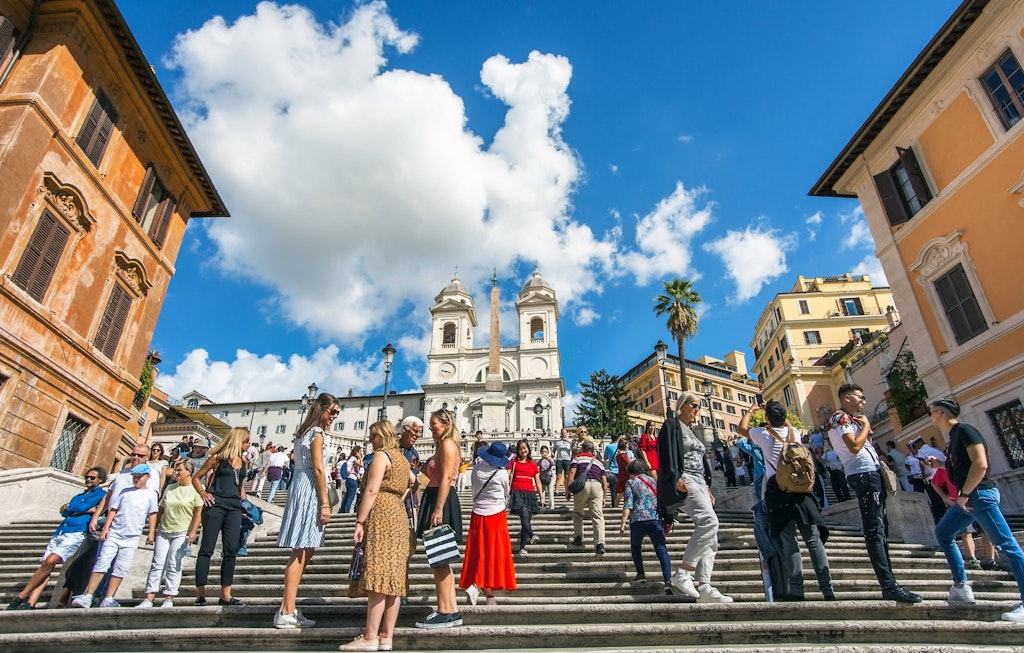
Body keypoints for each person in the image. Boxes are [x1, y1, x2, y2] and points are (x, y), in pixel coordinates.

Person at [928, 398, 1024, 621]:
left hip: (978, 495)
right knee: (943, 533)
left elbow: (980, 464)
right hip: (970, 498)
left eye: (932, 412)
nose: (930, 416)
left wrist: (963, 495)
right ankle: (961, 587)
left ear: (940, 413)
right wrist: (940, 465)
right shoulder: (953, 440)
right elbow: (962, 466)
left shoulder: (965, 431)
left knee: (1008, 546)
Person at [826, 384, 920, 603]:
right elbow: (853, 447)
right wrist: (867, 427)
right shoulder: (840, 418)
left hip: (870, 473)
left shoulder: (850, 420)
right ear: (847, 398)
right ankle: (888, 584)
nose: (864, 401)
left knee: (880, 527)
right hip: (862, 474)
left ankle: (890, 582)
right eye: (861, 397)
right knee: (874, 529)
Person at [739, 400, 835, 601]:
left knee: (789, 542)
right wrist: (774, 413)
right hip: (801, 492)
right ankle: (827, 589)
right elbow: (788, 426)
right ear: (784, 418)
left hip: (780, 492)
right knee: (813, 540)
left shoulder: (764, 435)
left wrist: (751, 410)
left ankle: (797, 590)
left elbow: (742, 428)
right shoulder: (795, 435)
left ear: (767, 419)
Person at [339, 420, 414, 650]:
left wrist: (359, 521)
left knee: (378, 574)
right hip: (398, 515)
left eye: (373, 437)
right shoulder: (403, 459)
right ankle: (386, 636)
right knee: (394, 577)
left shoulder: (382, 456)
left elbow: (371, 490)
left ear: (382, 436)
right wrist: (398, 500)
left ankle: (370, 637)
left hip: (381, 513)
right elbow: (413, 481)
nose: (371, 441)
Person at [657, 391, 732, 603]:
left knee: (712, 535)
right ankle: (683, 571)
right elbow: (665, 453)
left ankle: (705, 585)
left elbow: (701, 459)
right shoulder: (671, 425)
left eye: (699, 406)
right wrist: (674, 478)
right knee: (710, 521)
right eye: (694, 405)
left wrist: (707, 486)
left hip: (699, 481)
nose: (697, 409)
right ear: (683, 405)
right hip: (685, 478)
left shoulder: (692, 430)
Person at [273, 393, 337, 628]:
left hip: (302, 484)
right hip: (310, 487)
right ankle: (286, 610)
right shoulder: (317, 434)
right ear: (320, 409)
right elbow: (319, 469)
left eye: (337, 413)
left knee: (304, 550)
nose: (334, 417)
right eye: (332, 412)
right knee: (301, 551)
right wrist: (325, 503)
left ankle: (287, 607)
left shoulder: (305, 433)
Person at [5, 468, 108, 610]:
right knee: (46, 566)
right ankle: (31, 602)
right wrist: (79, 508)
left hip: (77, 531)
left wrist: (74, 508)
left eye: (92, 478)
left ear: (100, 480)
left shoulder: (102, 495)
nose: (89, 480)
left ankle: (20, 598)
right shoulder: (79, 495)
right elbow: (64, 510)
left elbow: (73, 508)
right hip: (61, 531)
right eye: (87, 477)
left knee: (50, 561)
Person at [71, 464, 158, 608]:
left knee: (121, 567)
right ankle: (88, 595)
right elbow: (113, 510)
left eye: (139, 477)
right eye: (134, 476)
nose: (136, 479)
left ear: (147, 477)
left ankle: (109, 597)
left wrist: (151, 533)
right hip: (115, 533)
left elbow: (153, 514)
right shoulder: (125, 492)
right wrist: (106, 528)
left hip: (132, 536)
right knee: (102, 563)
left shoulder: (151, 494)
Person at [414, 408, 463, 629]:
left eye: (434, 423)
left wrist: (438, 509)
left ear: (445, 423)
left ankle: (444, 611)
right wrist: (421, 467)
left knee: (439, 560)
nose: (431, 427)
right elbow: (437, 474)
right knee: (441, 559)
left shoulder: (447, 444)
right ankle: (451, 610)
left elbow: (446, 477)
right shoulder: (443, 445)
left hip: (440, 499)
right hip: (437, 496)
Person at [192, 427, 250, 606]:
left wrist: (245, 505)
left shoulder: (244, 462)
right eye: (246, 441)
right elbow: (197, 477)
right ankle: (201, 593)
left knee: (231, 550)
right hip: (215, 504)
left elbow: (239, 486)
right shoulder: (217, 458)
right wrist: (203, 492)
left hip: (234, 507)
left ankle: (225, 594)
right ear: (238, 440)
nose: (248, 444)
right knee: (207, 548)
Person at [136, 459, 203, 608]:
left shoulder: (197, 489)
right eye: (175, 470)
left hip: (182, 531)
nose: (175, 473)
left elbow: (198, 512)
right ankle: (149, 598)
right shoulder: (170, 488)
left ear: (189, 472)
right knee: (157, 564)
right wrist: (152, 531)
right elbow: (161, 510)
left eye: (179, 470)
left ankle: (169, 597)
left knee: (174, 563)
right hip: (164, 530)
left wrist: (193, 532)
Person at [460, 441, 516, 606]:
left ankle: (478, 584)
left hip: (478, 512)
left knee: (478, 550)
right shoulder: (502, 474)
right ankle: (487, 590)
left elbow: (474, 491)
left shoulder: (476, 469)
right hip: (496, 513)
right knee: (494, 550)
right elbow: (506, 493)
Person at [619, 459, 672, 592]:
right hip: (655, 519)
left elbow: (628, 504)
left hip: (638, 520)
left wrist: (623, 522)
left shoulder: (631, 482)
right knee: (661, 549)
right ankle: (667, 580)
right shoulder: (654, 481)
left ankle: (641, 573)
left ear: (632, 472)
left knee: (636, 547)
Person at [566, 440, 607, 556]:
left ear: (582, 449)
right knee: (597, 515)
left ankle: (578, 537)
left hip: (582, 486)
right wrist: (604, 496)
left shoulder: (577, 459)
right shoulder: (599, 463)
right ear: (593, 451)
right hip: (597, 486)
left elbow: (572, 472)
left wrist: (569, 489)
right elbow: (604, 481)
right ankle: (600, 543)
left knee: (578, 512)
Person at [508, 439, 543, 556]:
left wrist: (542, 496)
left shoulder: (533, 464)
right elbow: (507, 476)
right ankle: (532, 535)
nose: (523, 450)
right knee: (523, 513)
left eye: (525, 448)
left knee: (526, 520)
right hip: (517, 490)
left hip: (530, 492)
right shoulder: (513, 462)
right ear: (518, 450)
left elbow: (538, 481)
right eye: (521, 448)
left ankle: (522, 547)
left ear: (528, 448)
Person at [341, 446, 364, 513]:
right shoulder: (353, 458)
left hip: (348, 479)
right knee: (350, 497)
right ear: (357, 452)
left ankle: (343, 510)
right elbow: (361, 465)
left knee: (347, 496)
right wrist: (360, 457)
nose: (361, 453)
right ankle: (346, 511)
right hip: (352, 479)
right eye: (360, 451)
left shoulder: (350, 458)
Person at [553, 428, 573, 494]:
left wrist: (568, 441)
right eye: (562, 433)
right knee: (558, 476)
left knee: (567, 476)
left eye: (564, 433)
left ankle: (567, 490)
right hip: (559, 460)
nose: (563, 434)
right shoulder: (557, 442)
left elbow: (574, 449)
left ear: (567, 433)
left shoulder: (570, 442)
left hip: (567, 460)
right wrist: (552, 455)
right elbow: (554, 450)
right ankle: (556, 490)